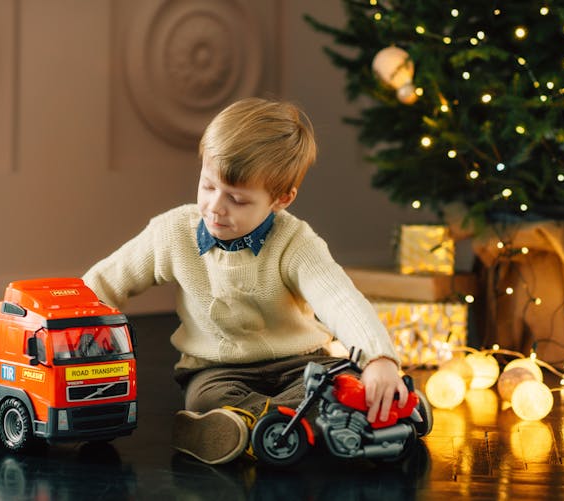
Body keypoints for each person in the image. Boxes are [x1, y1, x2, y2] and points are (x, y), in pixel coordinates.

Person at [83, 97, 407, 465]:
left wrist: (379, 357)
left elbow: (340, 300)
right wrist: (69, 320)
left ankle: (249, 430)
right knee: (206, 399)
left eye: (237, 199)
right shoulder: (173, 232)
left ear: (281, 200)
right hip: (217, 370)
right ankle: (267, 427)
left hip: (299, 364)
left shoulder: (296, 243)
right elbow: (107, 281)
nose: (216, 207)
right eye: (208, 186)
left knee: (333, 387)